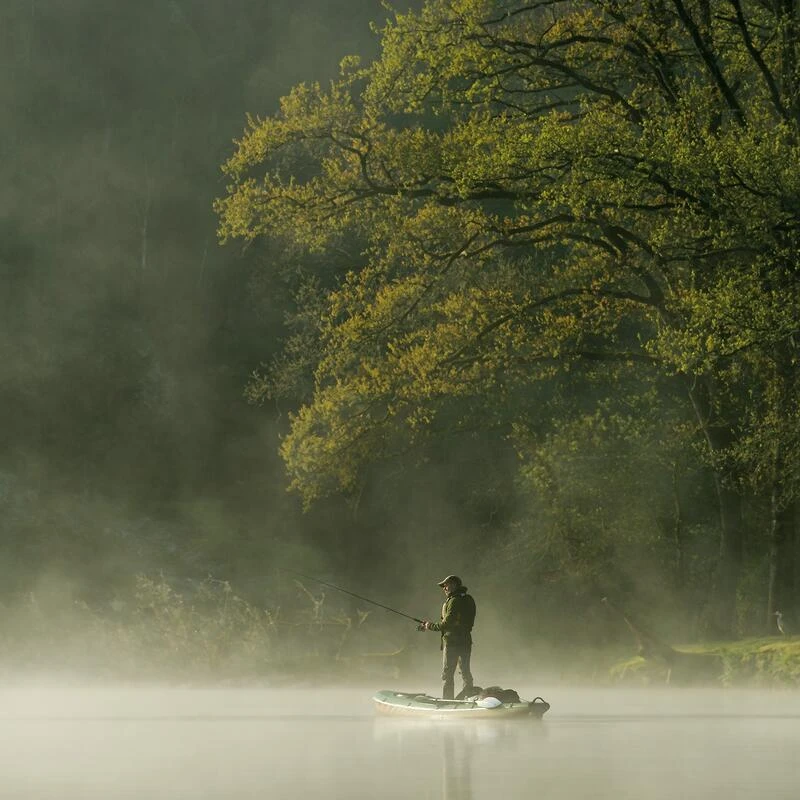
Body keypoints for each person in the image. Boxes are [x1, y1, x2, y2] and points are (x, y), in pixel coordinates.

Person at [420, 575, 476, 700]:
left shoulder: (454, 600)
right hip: (466, 640)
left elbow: (447, 623)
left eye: (446, 585)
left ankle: (447, 701)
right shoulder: (468, 599)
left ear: (455, 585)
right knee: (465, 671)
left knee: (447, 674)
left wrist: (430, 626)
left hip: (452, 642)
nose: (444, 588)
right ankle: (469, 697)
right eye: (443, 586)